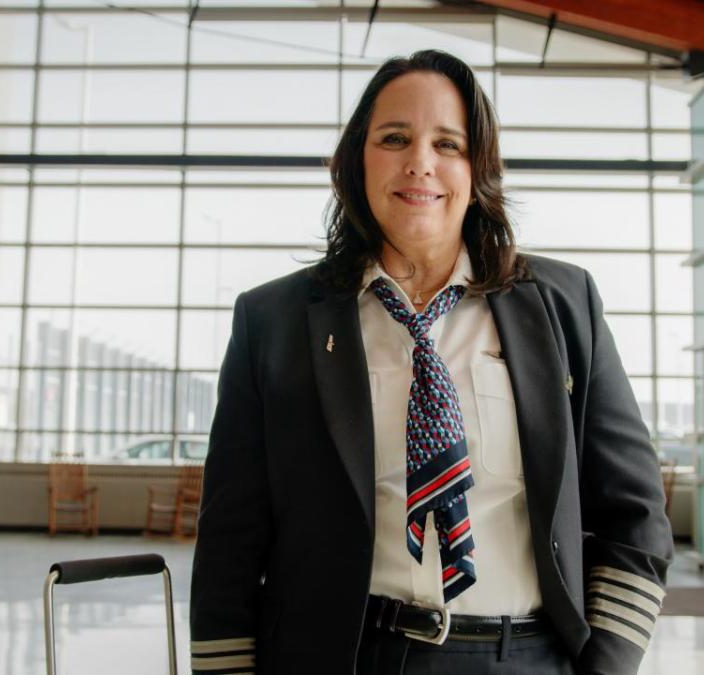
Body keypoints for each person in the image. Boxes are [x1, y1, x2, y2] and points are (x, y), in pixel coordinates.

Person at [189, 49, 672, 675]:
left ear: (478, 169)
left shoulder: (563, 305)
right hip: (340, 656)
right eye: (395, 138)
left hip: (523, 656)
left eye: (448, 143)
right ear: (356, 159)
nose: (420, 162)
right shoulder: (274, 322)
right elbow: (231, 539)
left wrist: (605, 664)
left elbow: (635, 513)